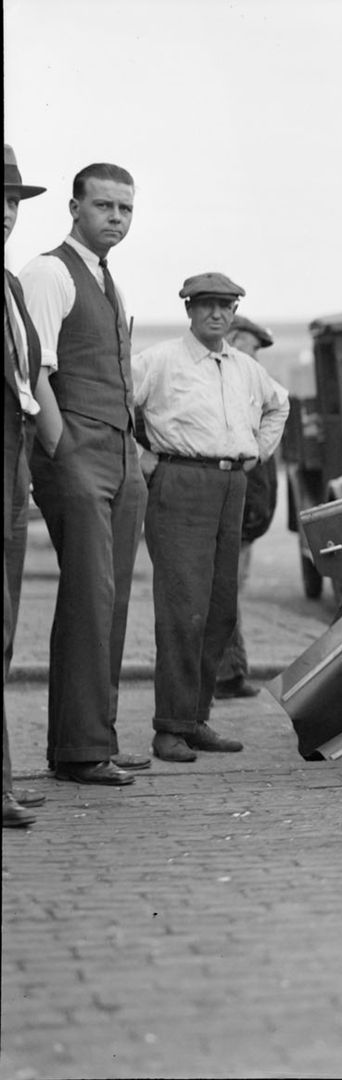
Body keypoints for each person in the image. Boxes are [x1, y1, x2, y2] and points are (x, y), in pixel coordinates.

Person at [19, 162, 149, 786]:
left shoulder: (107, 277)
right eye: (103, 207)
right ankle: (77, 751)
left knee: (112, 599)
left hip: (120, 455)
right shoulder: (49, 271)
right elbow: (33, 373)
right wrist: (63, 452)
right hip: (78, 453)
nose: (116, 219)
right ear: (74, 208)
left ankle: (96, 736)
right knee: (88, 600)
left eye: (125, 209)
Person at [133, 274, 288, 763]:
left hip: (231, 485)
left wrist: (256, 453)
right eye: (207, 306)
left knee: (220, 609)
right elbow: (117, 402)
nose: (218, 315)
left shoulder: (244, 367)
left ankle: (196, 720)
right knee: (183, 607)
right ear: (189, 311)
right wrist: (142, 454)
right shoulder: (158, 361)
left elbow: (278, 406)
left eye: (226, 306)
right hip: (180, 484)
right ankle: (169, 729)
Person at [4, 145, 60, 825]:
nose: (7, 214)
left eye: (13, 202)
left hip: (12, 477)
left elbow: (29, 378)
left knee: (7, 633)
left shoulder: (12, 286)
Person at [213, 313, 278, 700]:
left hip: (247, 516)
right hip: (237, 513)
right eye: (253, 347)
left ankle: (230, 671)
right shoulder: (232, 387)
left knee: (230, 592)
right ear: (235, 340)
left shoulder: (247, 385)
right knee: (226, 592)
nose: (256, 356)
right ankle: (226, 674)